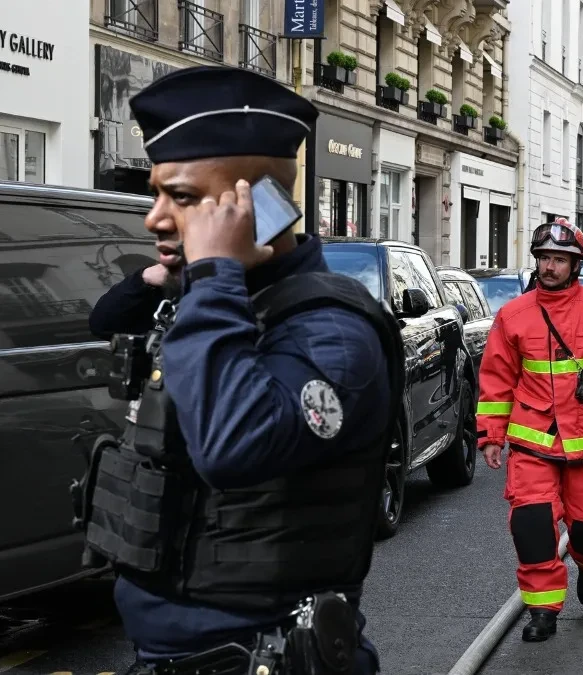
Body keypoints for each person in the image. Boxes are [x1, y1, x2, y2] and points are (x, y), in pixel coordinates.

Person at [79, 66, 395, 673]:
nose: (154, 218)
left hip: (263, 659)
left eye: (183, 197)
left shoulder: (331, 331)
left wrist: (215, 274)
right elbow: (105, 320)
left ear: (261, 209)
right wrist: (179, 278)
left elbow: (233, 447)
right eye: (157, 194)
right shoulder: (221, 302)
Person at [476, 218, 583, 642]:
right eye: (544, 258)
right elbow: (496, 379)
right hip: (531, 442)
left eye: (559, 259)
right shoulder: (513, 315)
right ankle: (543, 611)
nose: (550, 267)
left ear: (575, 265)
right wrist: (491, 435)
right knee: (532, 528)